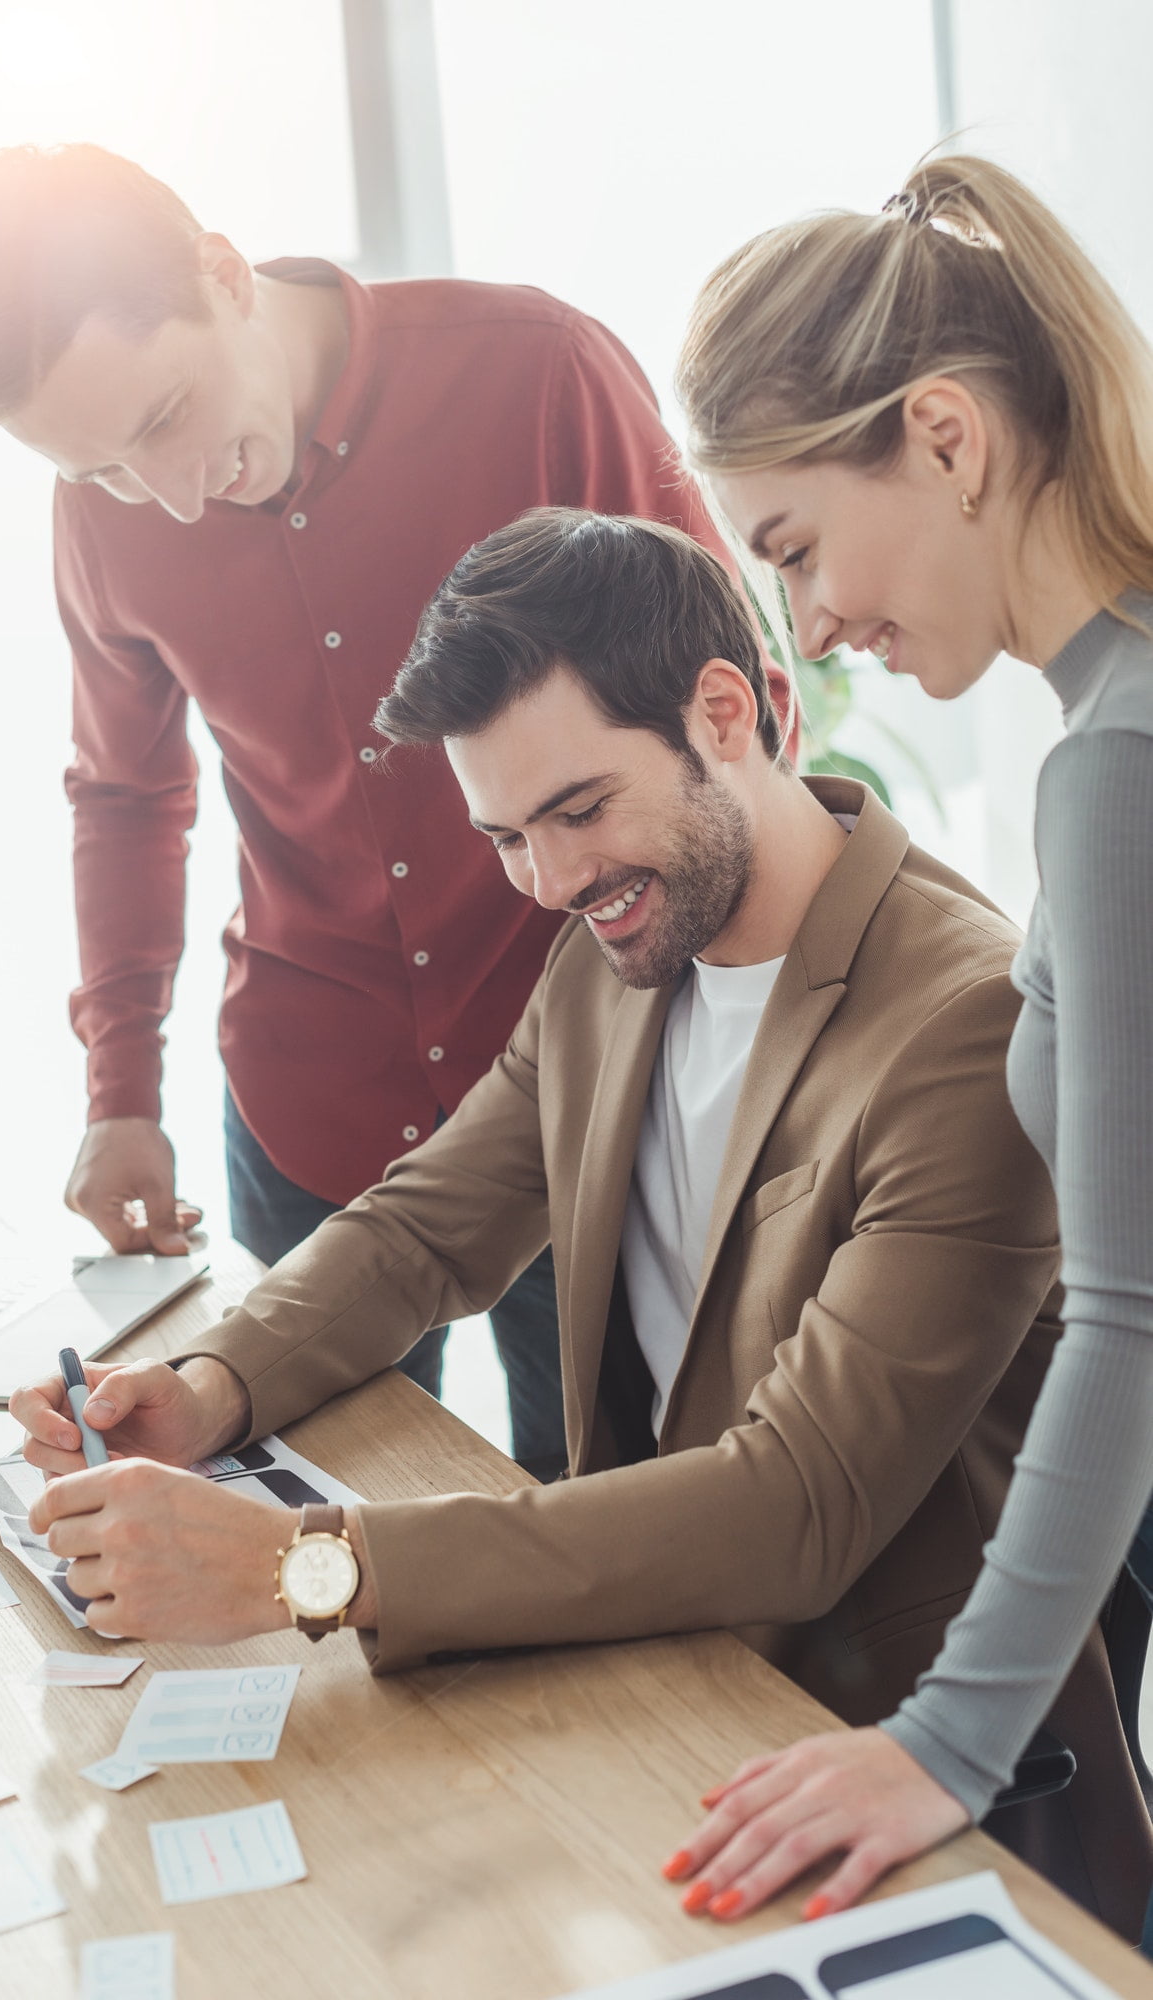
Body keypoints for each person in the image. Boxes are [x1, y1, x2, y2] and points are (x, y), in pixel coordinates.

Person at [11, 508, 1142, 1908]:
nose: (548, 881)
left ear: (723, 713)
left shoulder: (963, 1018)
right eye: (506, 837)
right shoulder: (620, 947)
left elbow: (796, 1506)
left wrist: (311, 1567)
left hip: (889, 1773)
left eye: (579, 810)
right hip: (657, 1688)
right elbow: (429, 1227)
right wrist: (206, 1385)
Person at [0, 145, 771, 1482]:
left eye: (160, 423)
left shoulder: (536, 370)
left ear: (220, 275)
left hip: (589, 1095)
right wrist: (120, 1089)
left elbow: (739, 707)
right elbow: (128, 790)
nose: (172, 498)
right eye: (107, 473)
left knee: (601, 1535)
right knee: (294, 1551)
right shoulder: (102, 509)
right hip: (311, 1107)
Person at [661, 153, 1153, 1942]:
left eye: (792, 549)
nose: (808, 630)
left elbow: (1133, 1313)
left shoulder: (1120, 761)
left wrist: (946, 1745)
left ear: (944, 437)